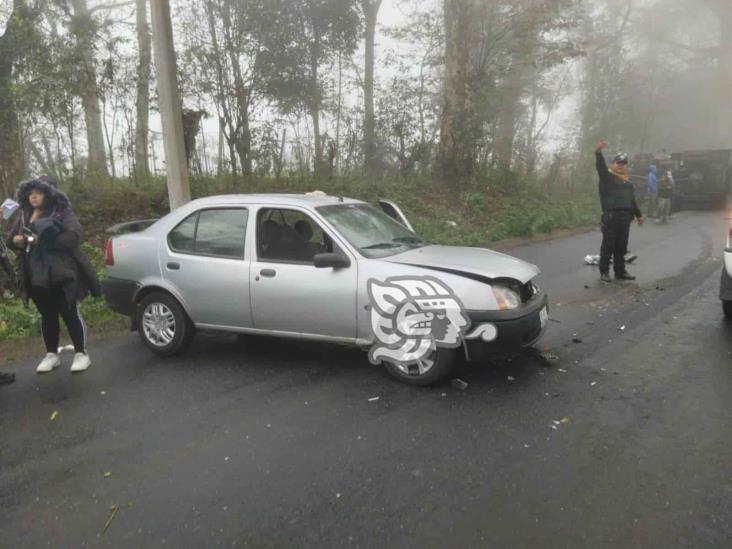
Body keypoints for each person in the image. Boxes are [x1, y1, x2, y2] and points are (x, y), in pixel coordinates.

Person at [5, 176, 101, 374]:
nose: (33, 197)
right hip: (34, 274)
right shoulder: (24, 214)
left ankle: (81, 353)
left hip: (61, 273)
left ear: (49, 194)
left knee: (69, 311)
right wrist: (16, 241)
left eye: (38, 193)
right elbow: (9, 240)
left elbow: (74, 236)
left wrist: (46, 239)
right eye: (31, 193)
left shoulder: (61, 212)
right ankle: (51, 355)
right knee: (47, 315)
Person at [595, 140, 644, 283]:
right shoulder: (607, 178)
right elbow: (600, 168)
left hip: (625, 217)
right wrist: (598, 153)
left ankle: (620, 271)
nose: (621, 166)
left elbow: (632, 200)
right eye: (618, 163)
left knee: (621, 246)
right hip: (611, 216)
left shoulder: (627, 182)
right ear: (613, 164)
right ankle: (604, 272)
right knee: (608, 245)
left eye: (623, 164)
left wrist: (639, 215)